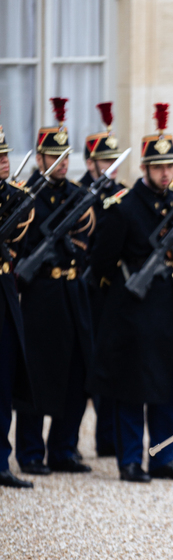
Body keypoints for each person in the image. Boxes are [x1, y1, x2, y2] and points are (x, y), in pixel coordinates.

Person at [89, 103, 173, 482]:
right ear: (144, 168)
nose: (167, 173)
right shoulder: (124, 208)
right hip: (136, 313)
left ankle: (165, 457)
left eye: (170, 166)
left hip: (172, 309)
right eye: (159, 167)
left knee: (171, 386)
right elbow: (101, 262)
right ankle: (131, 460)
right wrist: (123, 295)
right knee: (132, 388)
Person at [15, 99, 95, 475]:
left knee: (75, 373)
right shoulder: (25, 196)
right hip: (40, 295)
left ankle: (64, 448)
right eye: (55, 157)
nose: (63, 163)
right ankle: (31, 452)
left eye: (66, 157)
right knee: (37, 373)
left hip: (71, 292)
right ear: (41, 159)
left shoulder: (77, 195)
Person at [79, 102, 127, 458]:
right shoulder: (78, 193)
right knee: (83, 365)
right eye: (103, 162)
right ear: (90, 161)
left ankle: (108, 440)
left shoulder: (121, 193)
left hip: (112, 290)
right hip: (82, 287)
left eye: (113, 162)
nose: (109, 169)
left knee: (112, 364)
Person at [0, 124, 34, 488]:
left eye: (5, 154)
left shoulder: (16, 198)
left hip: (5, 291)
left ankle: (1, 461)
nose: (4, 162)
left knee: (5, 379)